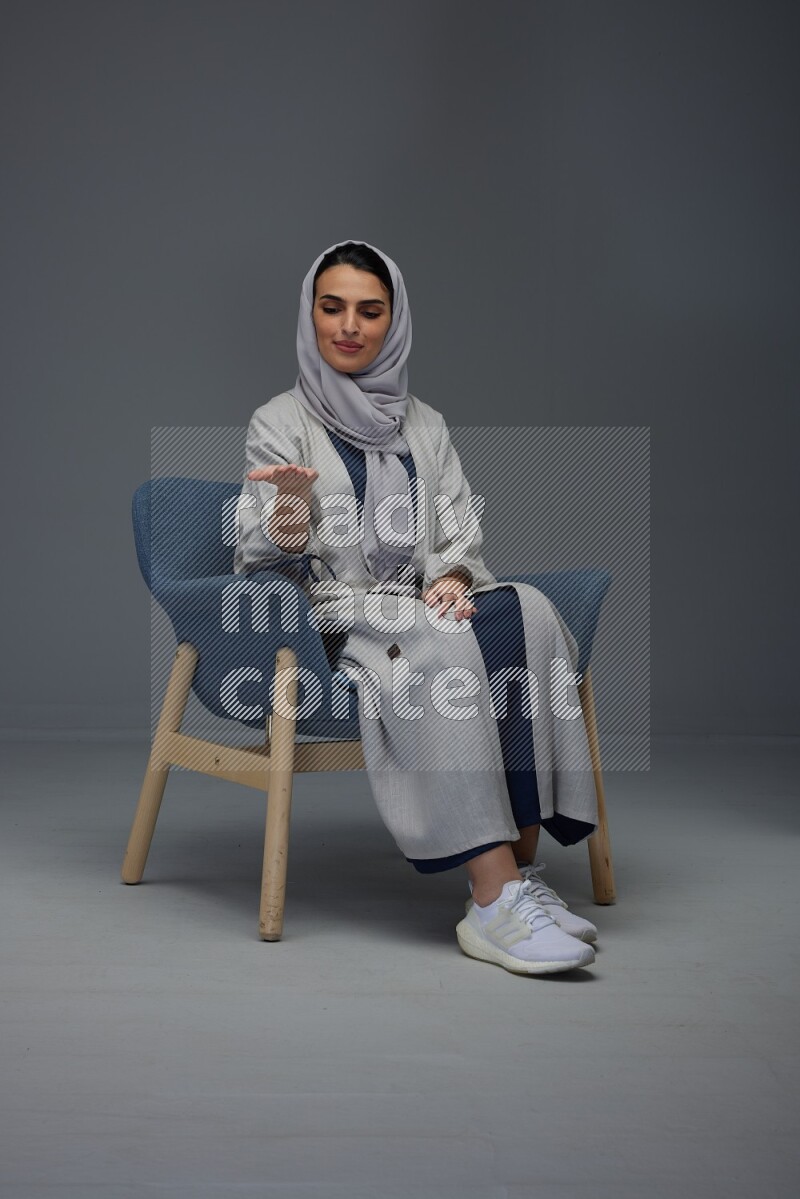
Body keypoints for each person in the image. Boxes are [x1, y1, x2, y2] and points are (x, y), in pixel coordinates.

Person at [234, 239, 600, 976]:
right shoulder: (279, 420)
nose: (348, 325)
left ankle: (520, 872)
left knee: (525, 611)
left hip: (414, 608)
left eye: (369, 311)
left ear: (393, 322)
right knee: (431, 639)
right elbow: (261, 553)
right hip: (334, 620)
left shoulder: (424, 423)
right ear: (310, 316)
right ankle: (492, 898)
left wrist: (455, 576)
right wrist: (289, 510)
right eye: (331, 307)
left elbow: (457, 527)